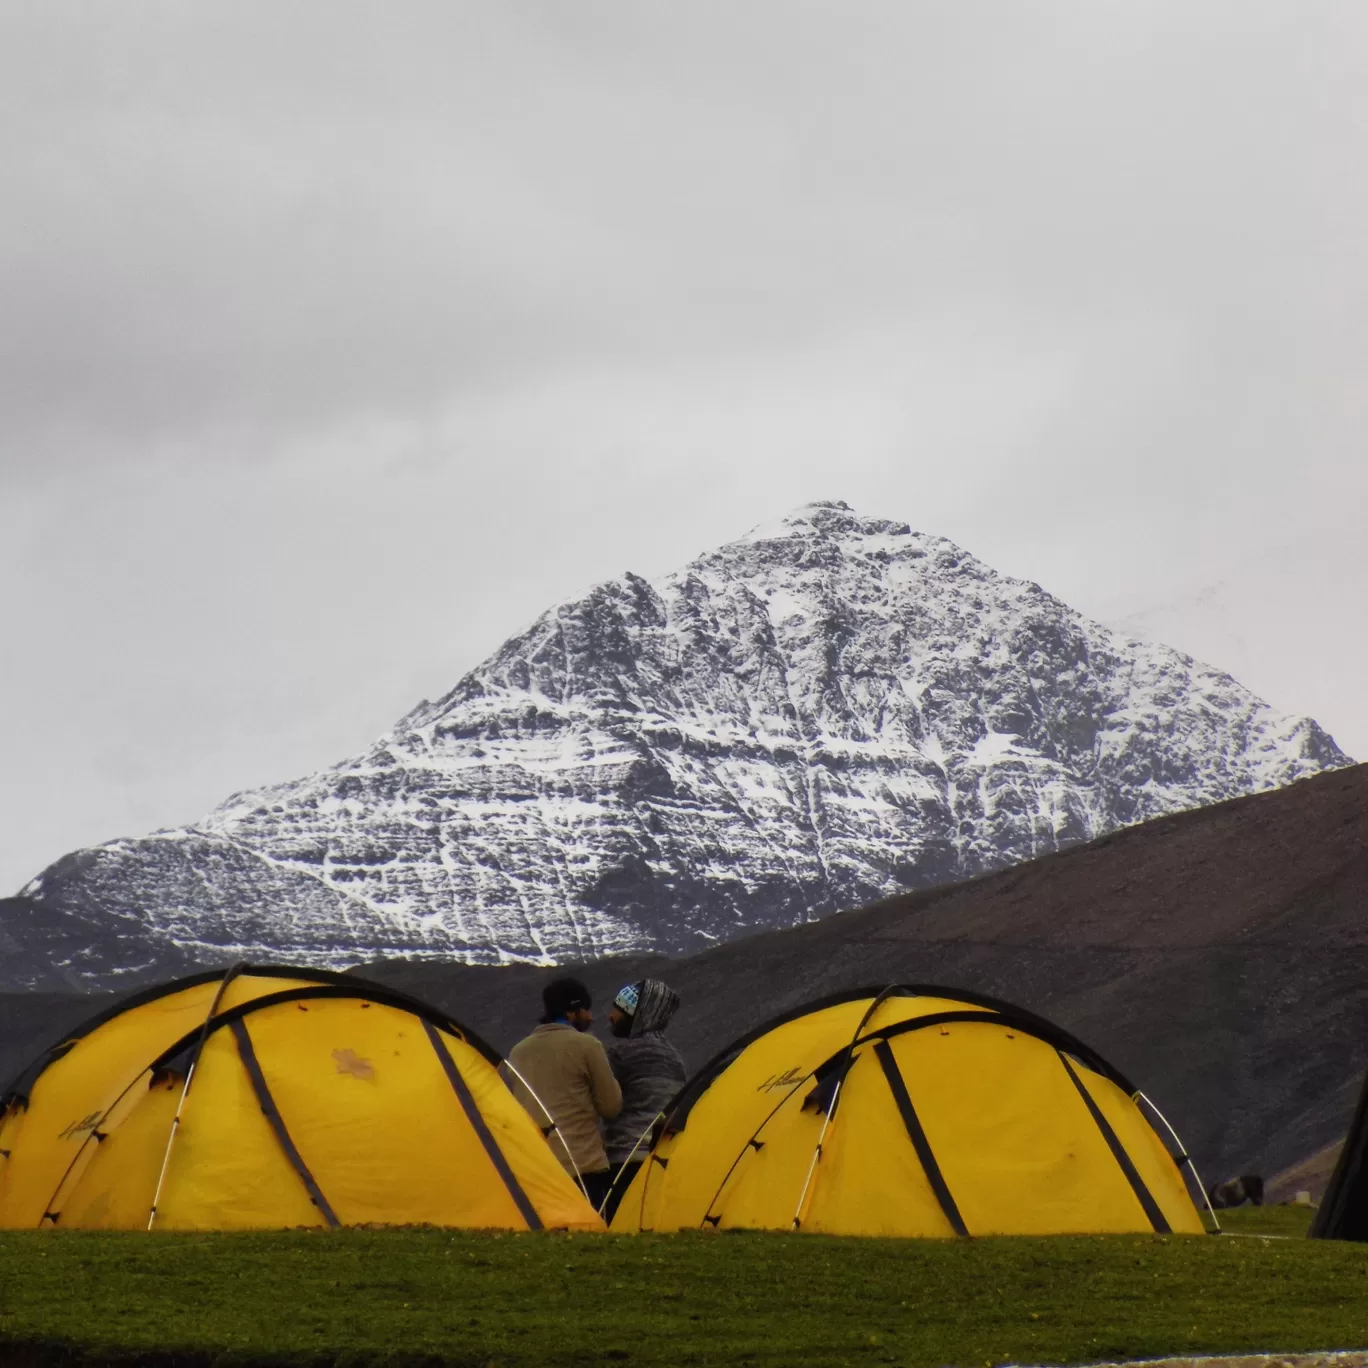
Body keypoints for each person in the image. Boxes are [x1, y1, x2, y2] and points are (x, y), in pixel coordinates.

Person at [505, 977, 622, 1211]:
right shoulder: (587, 1046)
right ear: (571, 1012)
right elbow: (611, 1107)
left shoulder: (517, 1052)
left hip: (537, 1168)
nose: (590, 1017)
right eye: (585, 1010)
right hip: (582, 1167)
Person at [600, 979, 686, 1222]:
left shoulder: (620, 1054)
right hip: (660, 1158)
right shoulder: (675, 1059)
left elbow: (603, 1102)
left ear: (634, 1016)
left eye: (620, 1009)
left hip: (623, 1159)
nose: (611, 1015)